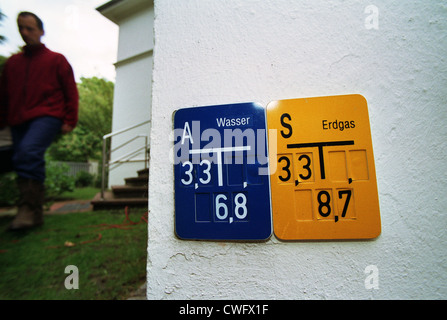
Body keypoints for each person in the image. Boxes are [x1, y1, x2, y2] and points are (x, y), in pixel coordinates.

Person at [0, 12, 79, 230]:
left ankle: (27, 208)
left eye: (30, 28)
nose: (25, 33)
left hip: (48, 115)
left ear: (41, 31)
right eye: (21, 28)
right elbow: (4, 96)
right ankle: (33, 214)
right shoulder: (13, 64)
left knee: (28, 151)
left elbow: (71, 92)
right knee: (20, 158)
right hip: (17, 119)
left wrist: (70, 119)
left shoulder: (56, 60)